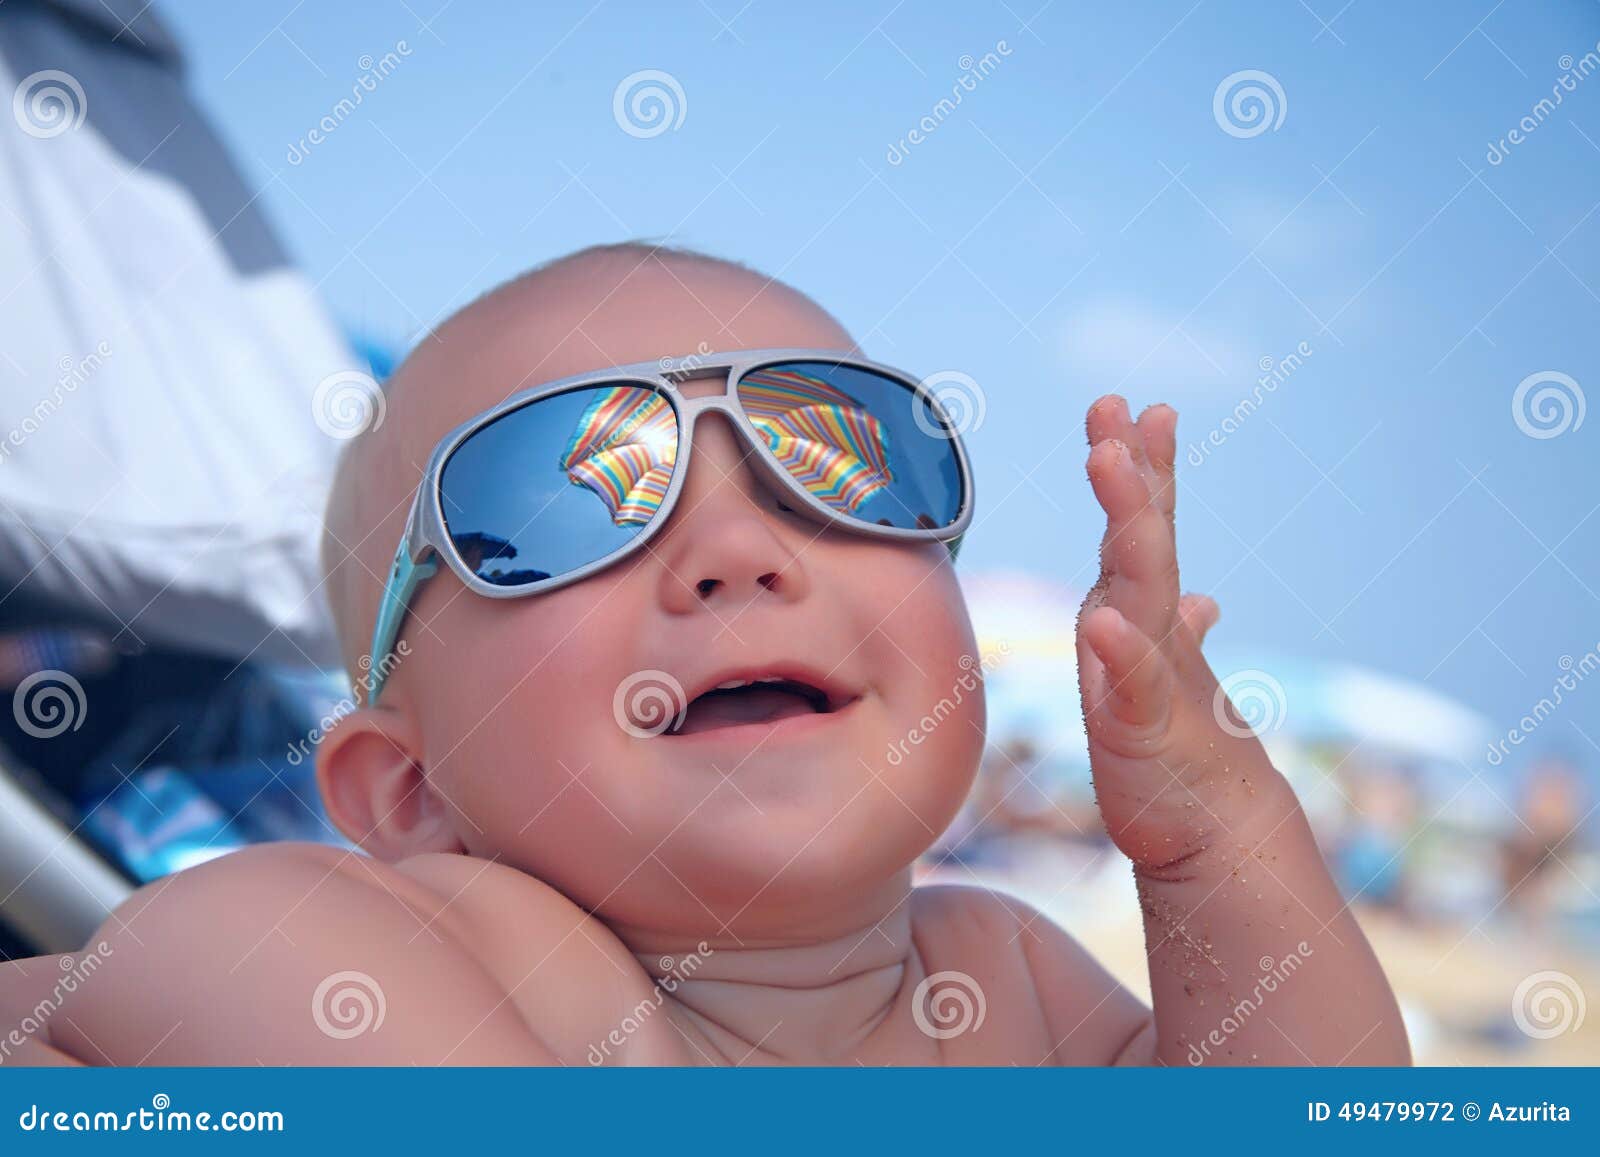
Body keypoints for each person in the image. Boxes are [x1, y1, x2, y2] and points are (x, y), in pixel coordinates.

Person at [0, 243, 1409, 1065]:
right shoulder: (437, 950)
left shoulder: (1015, 980)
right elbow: (197, 956)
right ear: (407, 790)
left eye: (836, 455)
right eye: (560, 497)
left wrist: (1216, 842)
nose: (740, 549)